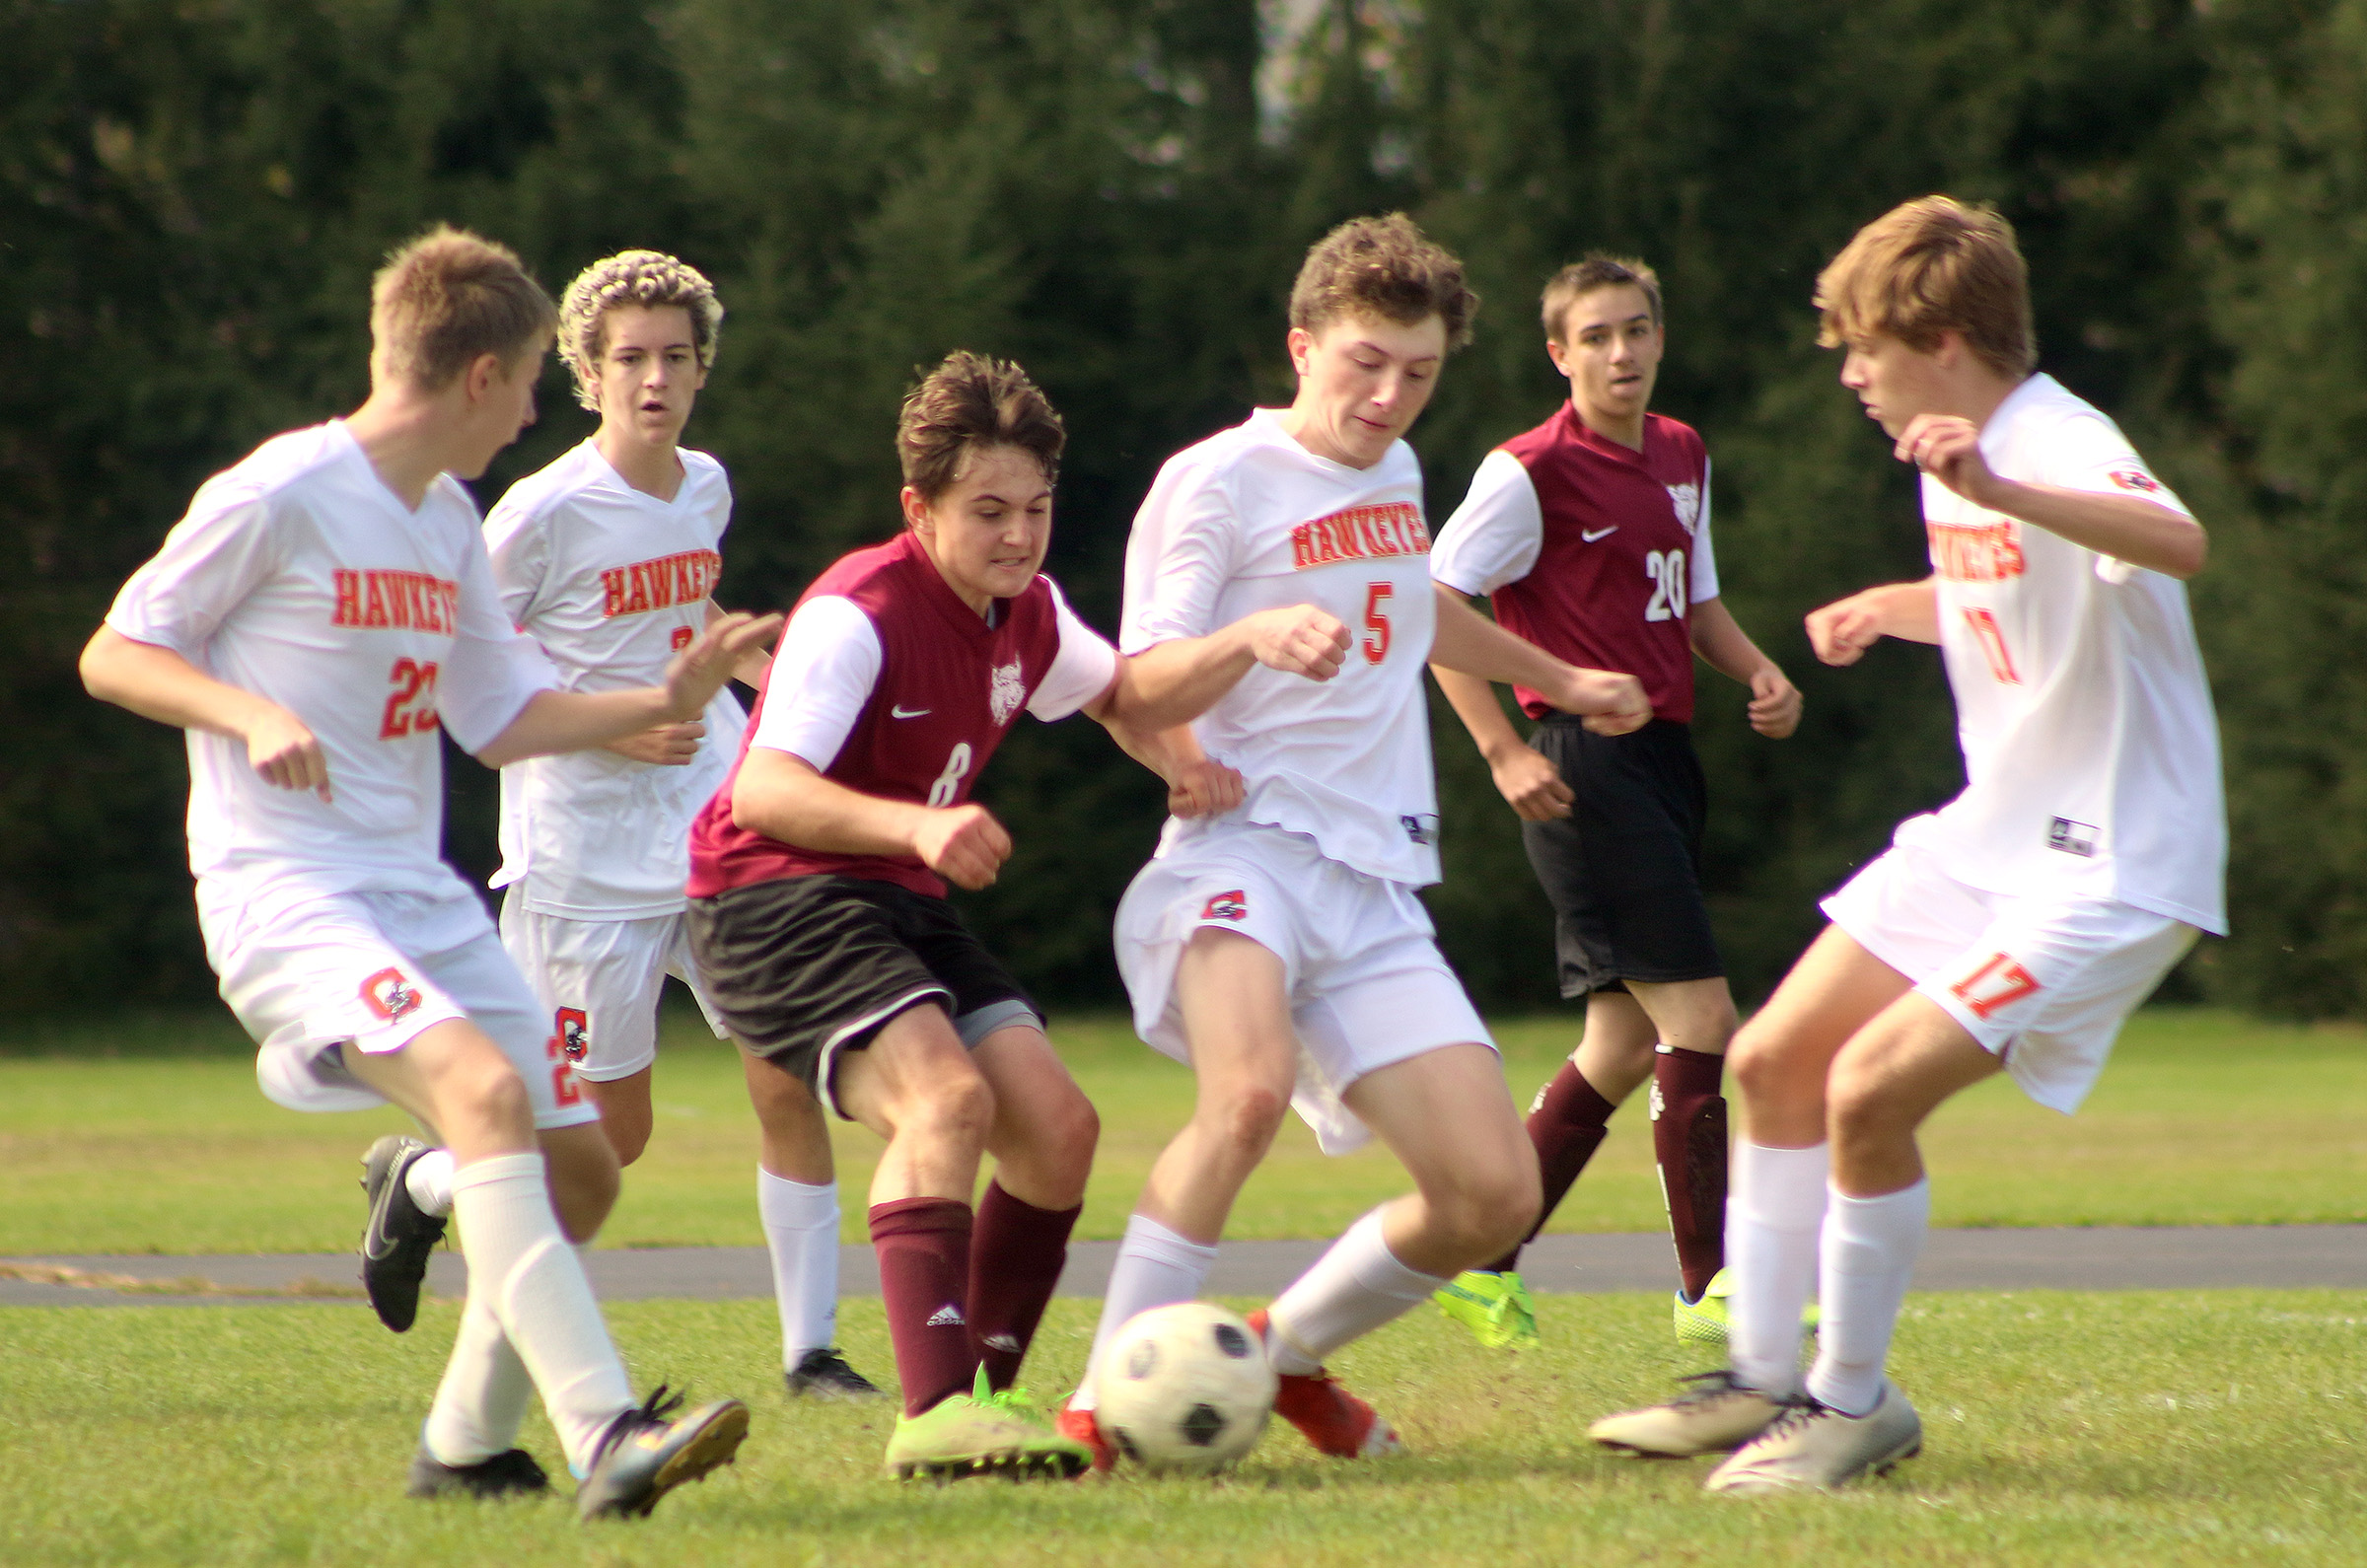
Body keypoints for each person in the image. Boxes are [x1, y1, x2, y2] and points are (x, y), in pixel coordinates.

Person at [79, 227, 773, 1516]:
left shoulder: (445, 518)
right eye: (522, 389)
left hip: (419, 896)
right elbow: (115, 652)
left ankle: (463, 1443)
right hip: (289, 893)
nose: (525, 418)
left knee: (585, 1173)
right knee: (479, 1091)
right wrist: (243, 716)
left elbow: (499, 716)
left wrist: (652, 698)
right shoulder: (282, 493)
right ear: (480, 377)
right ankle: (606, 1430)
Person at [1588, 195, 2222, 1492]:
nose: (1852, 375)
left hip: (2110, 866)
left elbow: (2177, 541)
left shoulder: (2050, 436)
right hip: (1991, 837)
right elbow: (2009, 588)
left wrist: (2001, 484)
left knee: (1868, 1088)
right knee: (1770, 1057)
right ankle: (1760, 1375)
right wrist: (1897, 605)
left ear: (1937, 335)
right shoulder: (1962, 454)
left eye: (1863, 347)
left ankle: (1852, 1404)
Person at [1055, 214, 1652, 1469]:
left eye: (1420, 373)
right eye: (1364, 363)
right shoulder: (1214, 481)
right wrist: (1252, 638)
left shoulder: (1398, 474)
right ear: (1301, 346)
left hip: (1372, 878)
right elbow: (1135, 684)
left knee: (1493, 1196)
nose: (1389, 397)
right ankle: (1106, 1406)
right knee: (1248, 1094)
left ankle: (1277, 1359)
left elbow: (1417, 606)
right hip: (1238, 855)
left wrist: (1565, 678)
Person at [684, 349, 1338, 1480]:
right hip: (772, 899)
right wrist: (919, 828)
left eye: (1036, 509)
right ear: (919, 508)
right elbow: (763, 791)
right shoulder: (860, 610)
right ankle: (936, 1415)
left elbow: (1122, 693)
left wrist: (1187, 738)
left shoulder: (1027, 612)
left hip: (893, 898)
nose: (1018, 535)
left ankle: (987, 1399)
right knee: (947, 1101)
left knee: (1058, 1131)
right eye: (987, 511)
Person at [355, 249, 879, 1401]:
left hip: (715, 830)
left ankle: (813, 1354)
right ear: (586, 374)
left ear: (702, 372)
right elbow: (464, 658)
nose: (656, 379)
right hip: (585, 858)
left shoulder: (706, 485)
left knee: (784, 1072)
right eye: (630, 358)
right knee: (607, 1142)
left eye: (677, 358)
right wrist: (613, 728)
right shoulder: (539, 511)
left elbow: (681, 607)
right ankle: (428, 1183)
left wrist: (739, 661)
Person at [1424, 256, 1801, 1353]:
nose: (1621, 354)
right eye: (1595, 337)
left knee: (1622, 1044)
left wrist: (1759, 672)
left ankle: (1484, 1259)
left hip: (1668, 763)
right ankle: (1710, 1288)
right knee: (1703, 1024)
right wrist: (1500, 748)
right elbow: (1429, 603)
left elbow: (1696, 598)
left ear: (1660, 337)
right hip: (1584, 764)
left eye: (1637, 331)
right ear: (1559, 353)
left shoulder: (1682, 451)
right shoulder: (1526, 471)